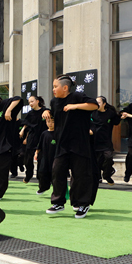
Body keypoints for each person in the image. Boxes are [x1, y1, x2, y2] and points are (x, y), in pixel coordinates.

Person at [42, 75, 99, 219]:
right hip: (62, 144)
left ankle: (82, 204)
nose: (53, 89)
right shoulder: (54, 102)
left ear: (65, 87)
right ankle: (58, 202)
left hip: (79, 144)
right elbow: (54, 115)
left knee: (80, 175)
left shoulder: (77, 96)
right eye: (53, 87)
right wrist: (47, 111)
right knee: (57, 171)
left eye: (55, 86)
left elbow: (94, 105)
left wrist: (75, 106)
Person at [90, 96, 120, 185]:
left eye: (99, 102)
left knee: (108, 157)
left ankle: (107, 174)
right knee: (97, 161)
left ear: (104, 104)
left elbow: (117, 121)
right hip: (94, 141)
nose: (97, 104)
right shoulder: (92, 113)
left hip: (106, 141)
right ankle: (98, 178)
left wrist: (122, 115)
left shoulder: (110, 113)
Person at [20, 96, 48, 183]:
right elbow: (26, 123)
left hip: (42, 137)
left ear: (37, 101)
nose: (30, 103)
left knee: (41, 159)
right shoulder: (30, 113)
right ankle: (29, 174)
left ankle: (40, 178)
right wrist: (22, 130)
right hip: (32, 138)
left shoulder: (45, 111)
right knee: (27, 159)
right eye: (29, 102)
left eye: (32, 101)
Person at [34, 116, 56, 195]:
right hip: (44, 157)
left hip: (54, 157)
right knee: (41, 172)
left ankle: (57, 191)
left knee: (54, 174)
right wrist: (36, 153)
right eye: (48, 121)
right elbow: (39, 145)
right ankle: (43, 187)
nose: (50, 124)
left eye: (52, 121)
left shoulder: (58, 133)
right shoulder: (44, 133)